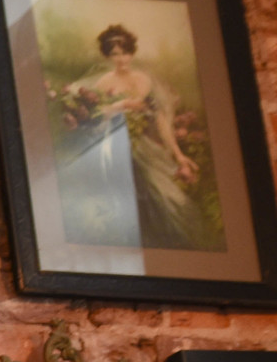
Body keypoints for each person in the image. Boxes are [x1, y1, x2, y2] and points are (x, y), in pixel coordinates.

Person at [52, 23, 218, 252]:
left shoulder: (144, 80)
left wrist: (178, 155)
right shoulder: (103, 83)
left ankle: (167, 250)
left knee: (163, 196)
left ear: (132, 52)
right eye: (115, 54)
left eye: (125, 52)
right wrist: (123, 104)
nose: (122, 59)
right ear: (108, 56)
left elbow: (160, 121)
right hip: (115, 145)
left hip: (143, 146)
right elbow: (99, 116)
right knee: (124, 200)